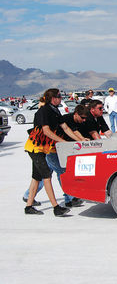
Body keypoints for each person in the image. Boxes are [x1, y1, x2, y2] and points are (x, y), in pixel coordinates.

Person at [23, 88, 81, 216]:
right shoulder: (44, 111)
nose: (61, 98)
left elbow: (65, 127)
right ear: (53, 98)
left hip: (43, 148)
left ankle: (28, 207)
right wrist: (62, 142)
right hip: (35, 148)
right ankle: (56, 207)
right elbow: (46, 131)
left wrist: (79, 140)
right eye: (59, 96)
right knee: (47, 177)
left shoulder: (55, 111)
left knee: (36, 177)